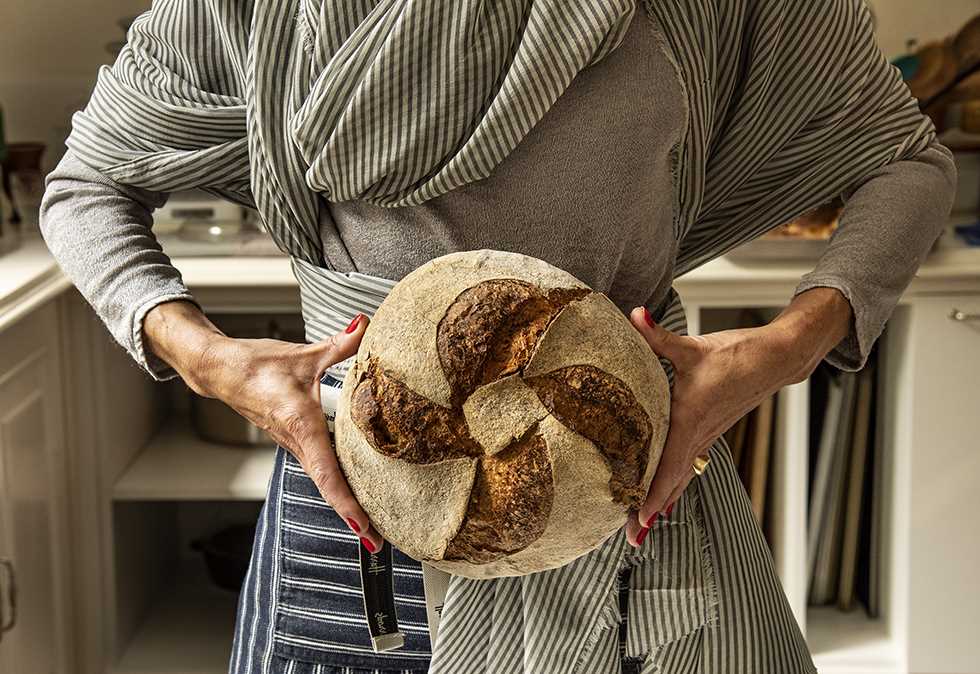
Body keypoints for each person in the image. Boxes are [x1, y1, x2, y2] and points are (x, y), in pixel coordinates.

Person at [41, 0, 955, 672]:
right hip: (357, 502)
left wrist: (785, 347)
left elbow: (903, 162)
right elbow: (86, 188)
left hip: (623, 497)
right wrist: (210, 362)